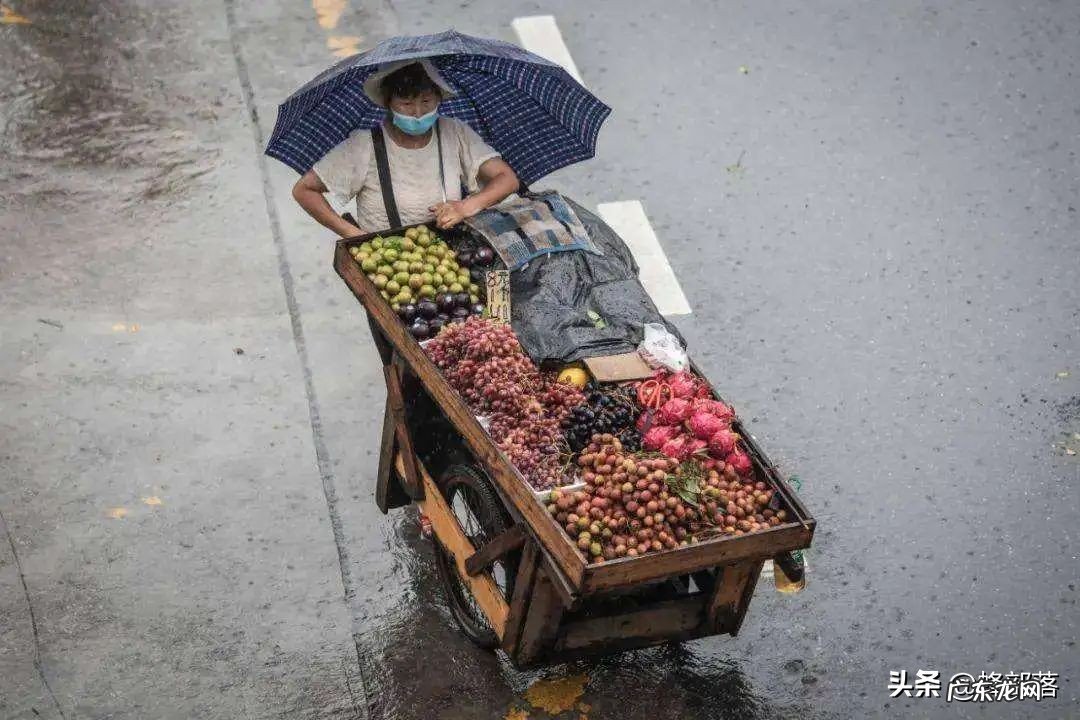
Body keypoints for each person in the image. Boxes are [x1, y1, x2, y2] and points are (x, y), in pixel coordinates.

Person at [292, 61, 520, 238]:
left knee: (498, 294)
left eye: (427, 102)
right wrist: (352, 235)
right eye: (407, 104)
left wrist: (466, 206)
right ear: (389, 104)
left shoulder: (454, 131)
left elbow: (507, 179)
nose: (418, 113)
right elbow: (305, 190)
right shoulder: (364, 145)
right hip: (392, 266)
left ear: (439, 99)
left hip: (451, 254)